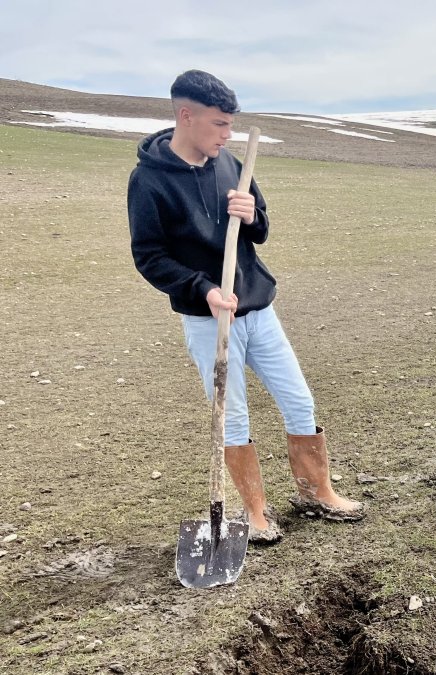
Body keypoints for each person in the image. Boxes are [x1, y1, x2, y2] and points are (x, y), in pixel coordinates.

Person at [128, 70, 364, 544]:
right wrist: (203, 289)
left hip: (259, 310)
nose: (226, 134)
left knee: (299, 400)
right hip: (209, 320)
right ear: (186, 115)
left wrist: (252, 215)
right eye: (219, 124)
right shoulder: (149, 180)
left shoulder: (232, 164)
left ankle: (316, 492)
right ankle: (254, 512)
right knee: (232, 417)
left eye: (231, 124)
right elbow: (149, 256)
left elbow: (262, 229)